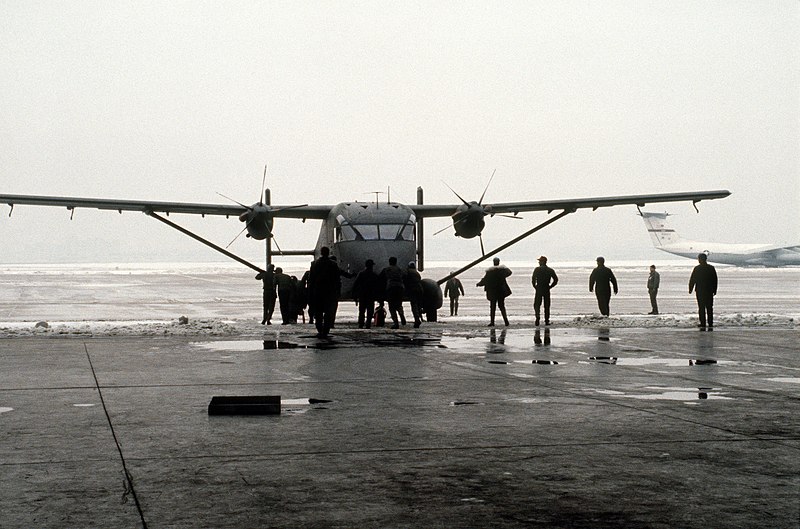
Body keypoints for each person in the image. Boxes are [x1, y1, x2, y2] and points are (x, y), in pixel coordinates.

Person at [307, 246, 341, 337]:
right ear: (328, 253)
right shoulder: (333, 264)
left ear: (321, 253)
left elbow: (311, 279)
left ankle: (319, 328)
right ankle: (326, 329)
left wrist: (310, 292)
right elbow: (337, 279)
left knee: (318, 311)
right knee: (328, 311)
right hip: (329, 291)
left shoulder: (314, 264)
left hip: (318, 291)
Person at [476, 257, 512, 326]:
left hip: (492, 292)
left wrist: (479, 284)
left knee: (492, 307)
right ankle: (506, 322)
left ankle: (492, 322)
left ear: (493, 262)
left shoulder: (490, 271)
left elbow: (485, 280)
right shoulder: (502, 270)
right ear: (499, 262)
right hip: (501, 291)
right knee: (502, 306)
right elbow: (509, 272)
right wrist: (504, 267)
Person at [689, 253, 718, 330]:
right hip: (709, 291)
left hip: (700, 291)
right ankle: (710, 322)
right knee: (709, 307)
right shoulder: (711, 268)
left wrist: (690, 289)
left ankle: (703, 323)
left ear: (700, 259)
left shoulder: (697, 268)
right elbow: (715, 280)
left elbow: (692, 279)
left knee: (701, 307)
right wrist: (715, 290)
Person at [379, 256, 407, 329]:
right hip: (400, 287)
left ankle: (396, 323)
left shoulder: (386, 269)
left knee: (392, 306)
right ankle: (401, 314)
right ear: (396, 262)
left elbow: (380, 278)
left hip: (391, 288)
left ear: (389, 262)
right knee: (399, 304)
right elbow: (405, 276)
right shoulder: (400, 269)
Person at [531, 255, 558, 326]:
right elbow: (556, 280)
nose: (539, 262)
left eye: (539, 261)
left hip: (539, 287)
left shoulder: (537, 269)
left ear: (543, 262)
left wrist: (535, 286)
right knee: (547, 305)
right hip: (546, 288)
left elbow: (533, 279)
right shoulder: (550, 270)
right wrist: (550, 287)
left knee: (537, 304)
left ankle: (537, 317)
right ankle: (546, 320)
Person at [352, 259, 380, 329]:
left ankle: (361, 323)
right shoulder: (374, 275)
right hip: (371, 295)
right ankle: (368, 324)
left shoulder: (361, 274)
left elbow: (355, 284)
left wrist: (354, 295)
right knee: (370, 310)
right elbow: (378, 286)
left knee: (362, 310)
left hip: (362, 294)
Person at [404, 261, 423, 328]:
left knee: (414, 305)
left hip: (413, 290)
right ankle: (419, 317)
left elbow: (405, 280)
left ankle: (417, 319)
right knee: (418, 305)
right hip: (419, 289)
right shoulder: (416, 273)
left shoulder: (408, 272)